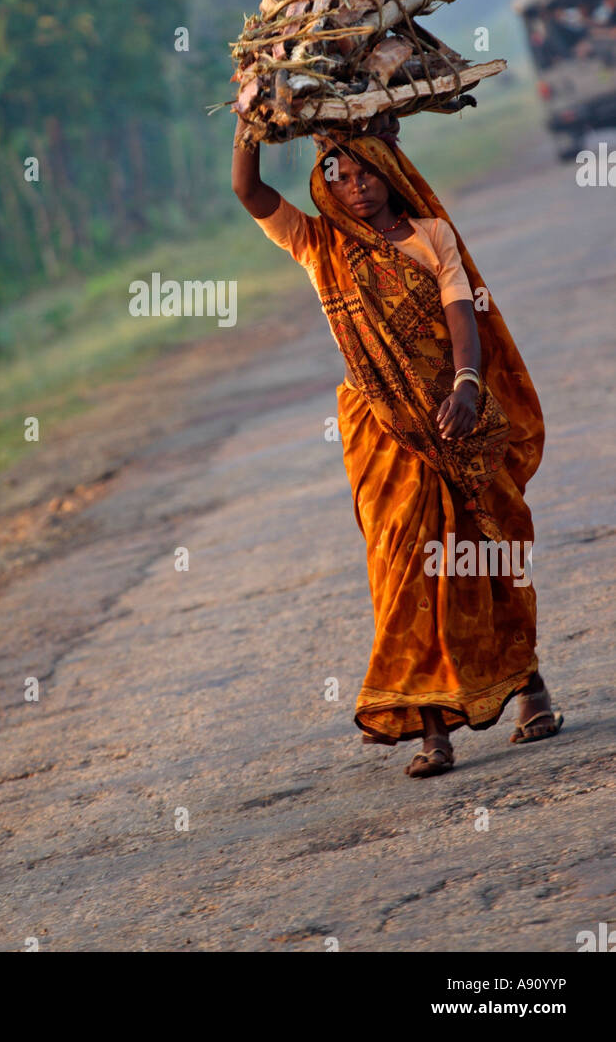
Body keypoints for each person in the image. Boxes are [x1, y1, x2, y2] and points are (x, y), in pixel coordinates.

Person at [231, 113, 563, 777]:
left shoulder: (431, 236)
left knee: (482, 555)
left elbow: (461, 318)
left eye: (366, 174)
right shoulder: (317, 243)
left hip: (454, 422)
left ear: (392, 172)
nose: (356, 188)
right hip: (382, 431)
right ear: (325, 182)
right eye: (340, 175)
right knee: (402, 571)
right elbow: (248, 191)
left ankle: (531, 691)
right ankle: (431, 731)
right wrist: (247, 121)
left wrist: (468, 388)